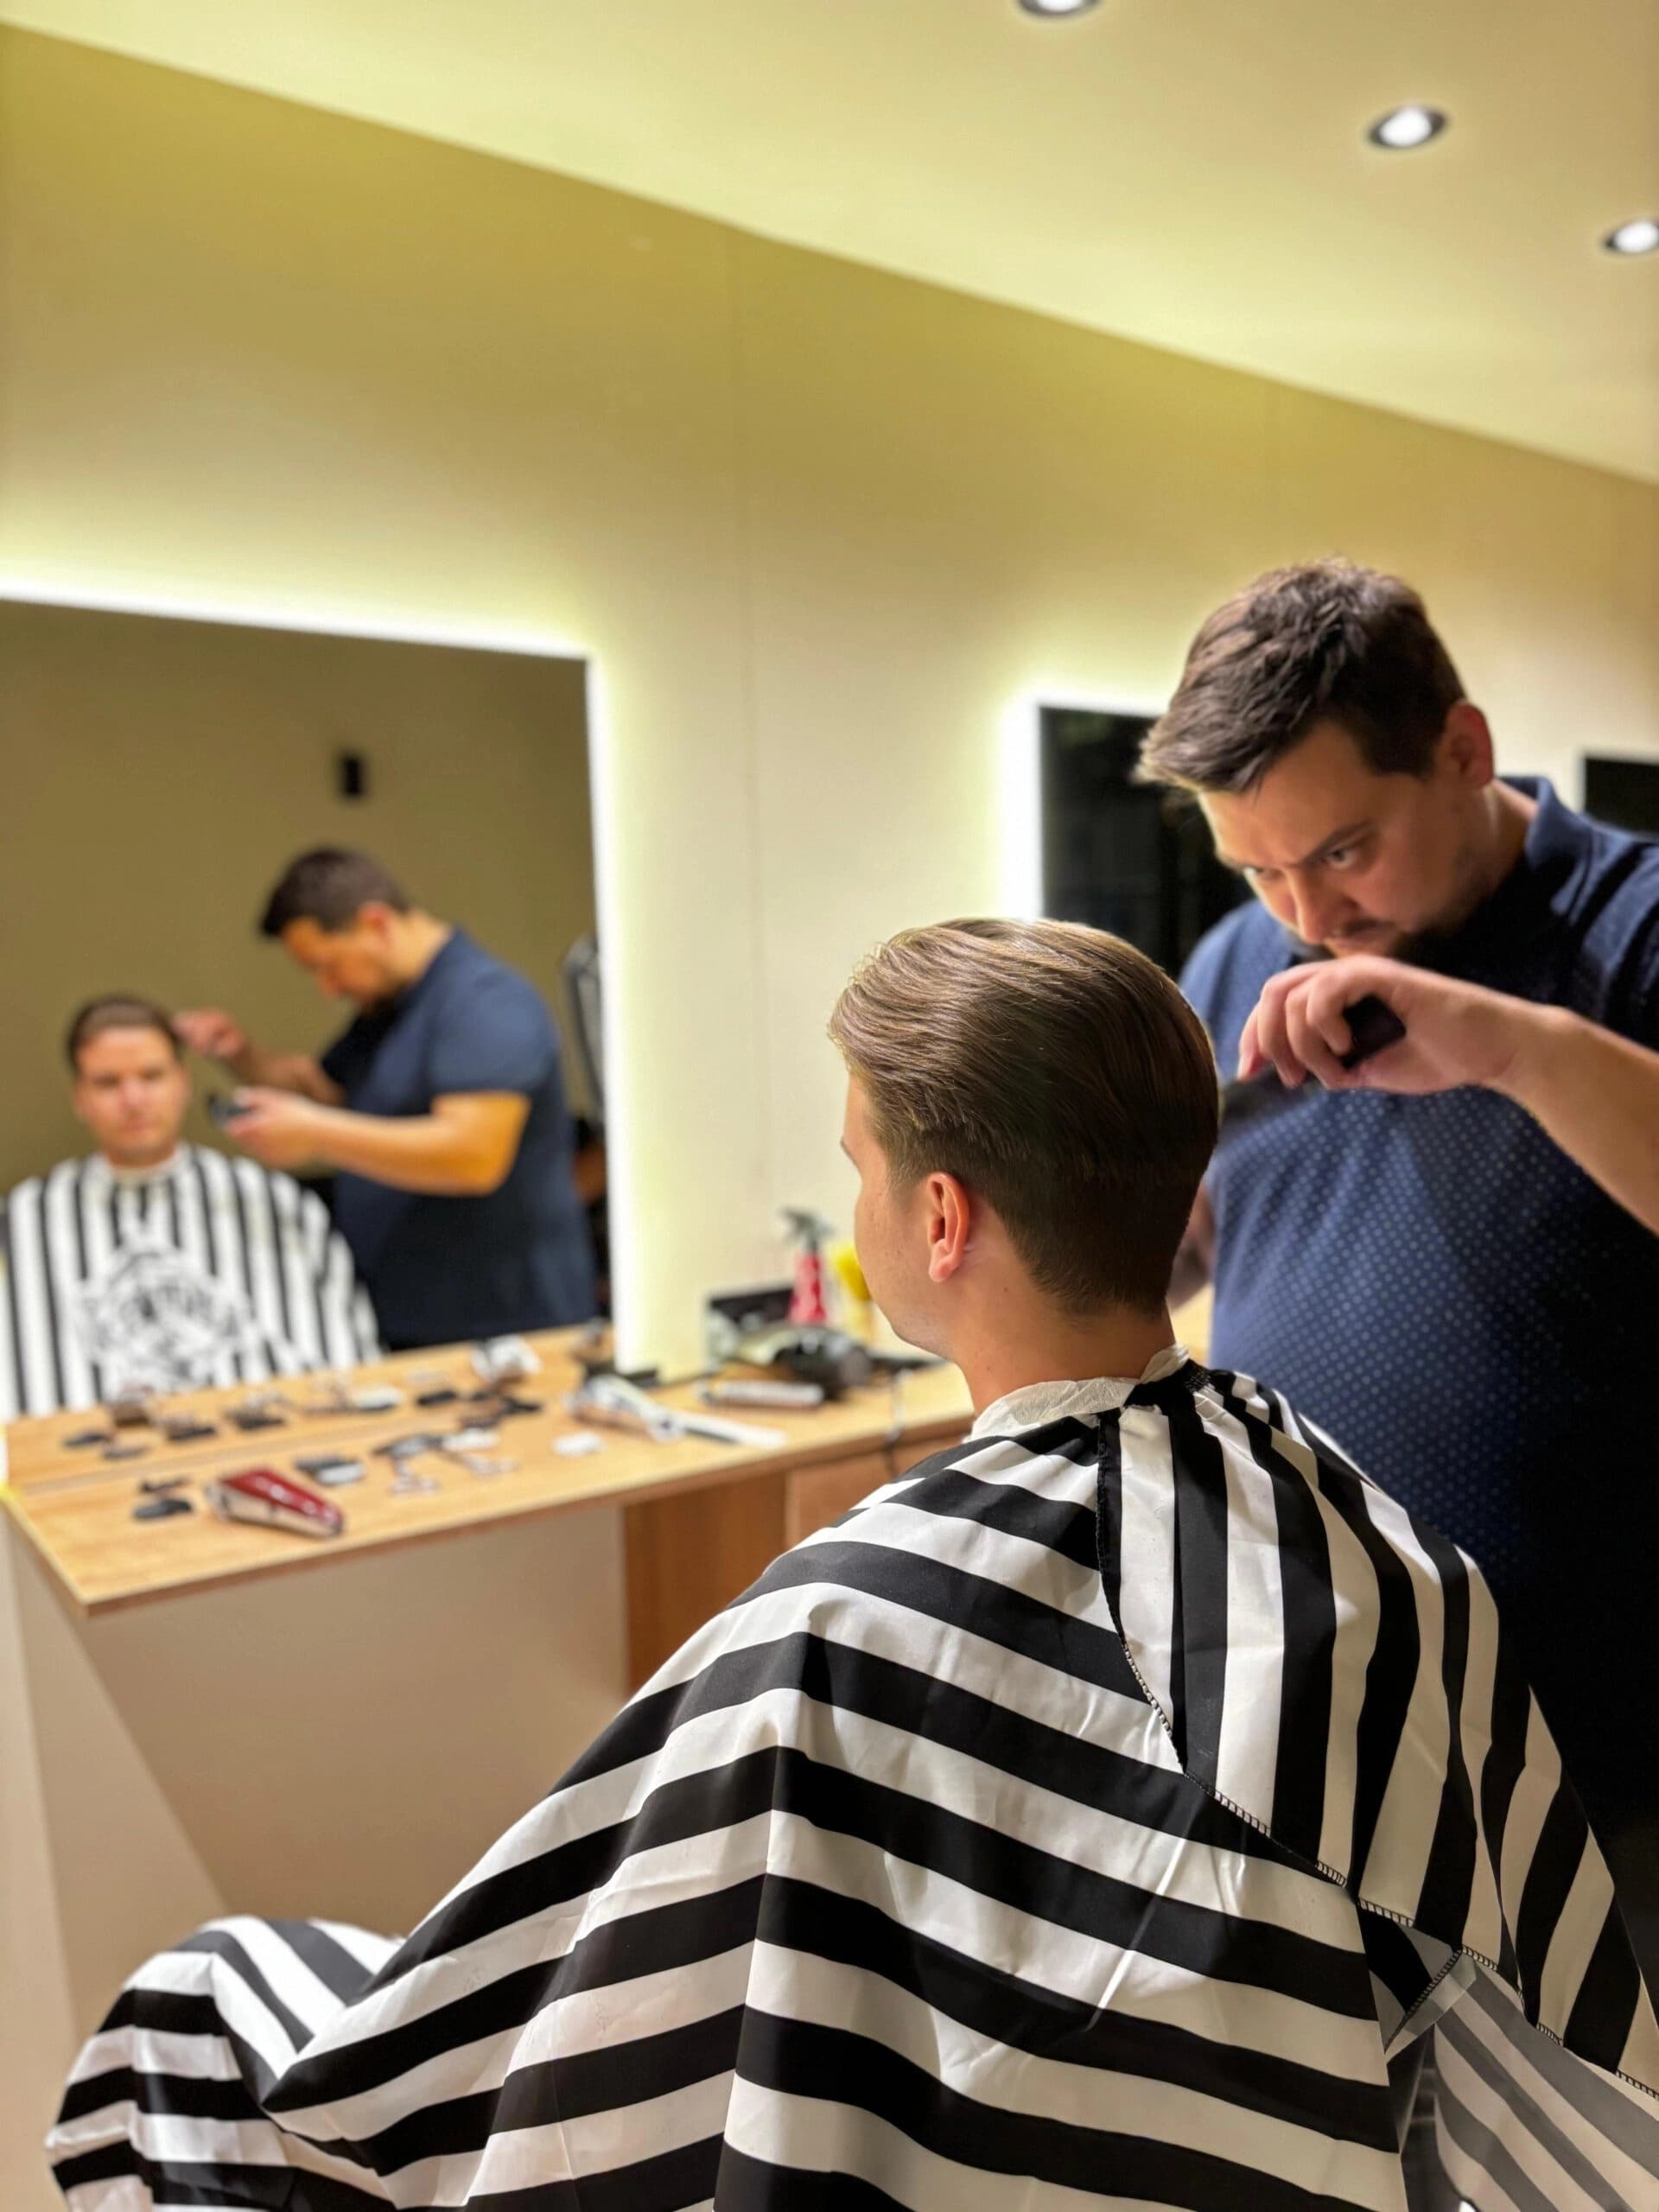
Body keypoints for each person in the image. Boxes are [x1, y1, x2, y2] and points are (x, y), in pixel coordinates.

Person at [48, 923, 1659, 2209]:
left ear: (939, 1219)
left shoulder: (833, 1629)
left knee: (192, 2014)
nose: (857, 1198)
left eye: (859, 1162)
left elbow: (552, 2039)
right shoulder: (1385, 1546)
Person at [1141, 561, 1659, 1921]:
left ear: (1464, 751)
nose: (1305, 917)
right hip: (1319, 1732)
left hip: (1601, 1763)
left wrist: (1508, 1046)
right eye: (1257, 868)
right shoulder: (1233, 963)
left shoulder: (1642, 931)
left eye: (1342, 851)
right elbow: (1197, 1239)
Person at [175, 849, 597, 1350]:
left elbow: (474, 1155)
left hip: (505, 1325)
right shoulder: (385, 1009)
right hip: (410, 1319)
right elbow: (326, 1094)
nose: (327, 989)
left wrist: (314, 1136)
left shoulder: (484, 1001)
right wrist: (243, 1056)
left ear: (375, 924)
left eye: (327, 967)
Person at [0, 995, 376, 1421]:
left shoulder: (268, 1199)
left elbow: (347, 1360)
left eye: (151, 1076)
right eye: (108, 1083)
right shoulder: (25, 1220)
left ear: (183, 1083)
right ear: (79, 1098)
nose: (134, 1099)